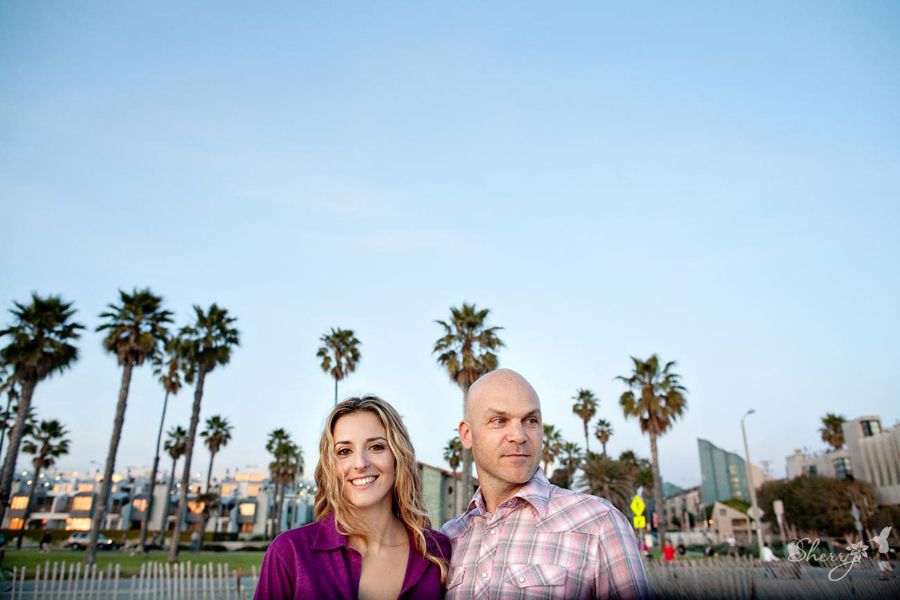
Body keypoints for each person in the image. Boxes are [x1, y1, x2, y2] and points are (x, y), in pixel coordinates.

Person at [441, 369, 650, 599]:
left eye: (531, 420)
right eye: (499, 421)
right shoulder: (448, 539)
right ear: (467, 434)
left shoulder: (599, 523)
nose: (519, 435)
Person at [255, 395, 450, 599]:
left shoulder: (438, 553)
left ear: (398, 456)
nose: (360, 463)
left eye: (376, 447)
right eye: (344, 451)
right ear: (331, 466)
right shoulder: (290, 553)